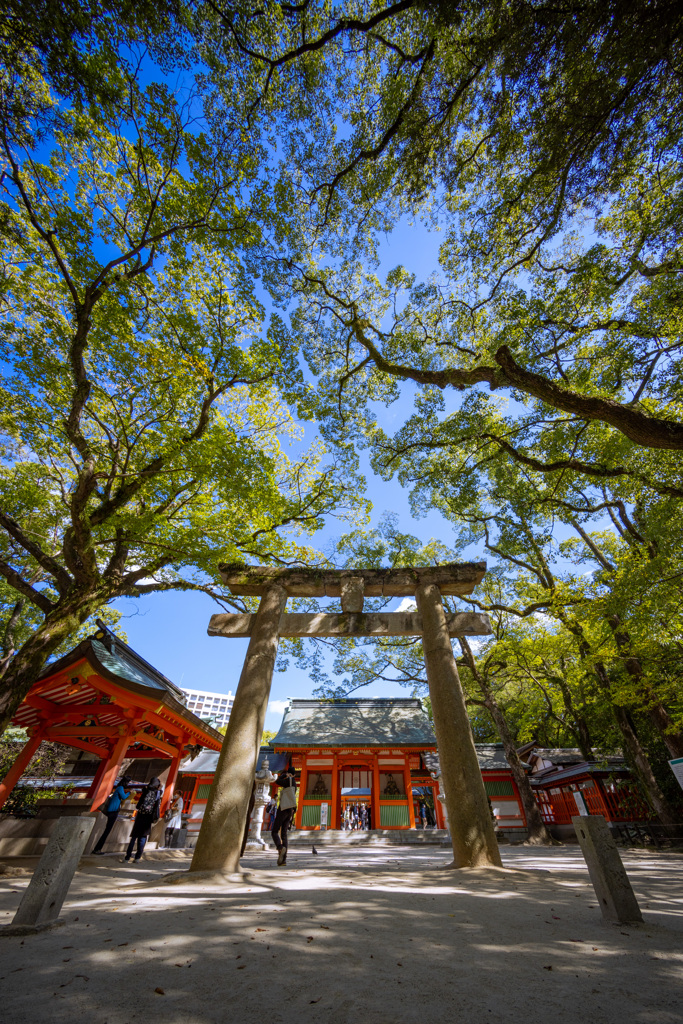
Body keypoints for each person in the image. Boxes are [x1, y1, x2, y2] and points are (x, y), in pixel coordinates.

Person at [92, 775, 132, 854]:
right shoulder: (120, 788)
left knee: (107, 831)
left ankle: (97, 848)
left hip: (112, 810)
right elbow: (124, 797)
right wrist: (129, 793)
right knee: (107, 831)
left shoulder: (118, 788)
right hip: (113, 811)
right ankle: (97, 849)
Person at [124, 777, 161, 862]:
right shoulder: (158, 793)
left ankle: (127, 857)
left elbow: (138, 805)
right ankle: (137, 857)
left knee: (134, 837)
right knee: (143, 837)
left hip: (140, 816)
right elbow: (156, 806)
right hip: (148, 817)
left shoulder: (145, 791)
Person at [271, 766, 297, 866]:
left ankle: (280, 847)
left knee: (274, 831)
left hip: (283, 808)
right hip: (290, 810)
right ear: (295, 775)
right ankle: (283, 860)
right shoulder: (294, 783)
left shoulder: (287, 781)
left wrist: (284, 775)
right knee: (284, 834)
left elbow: (277, 781)